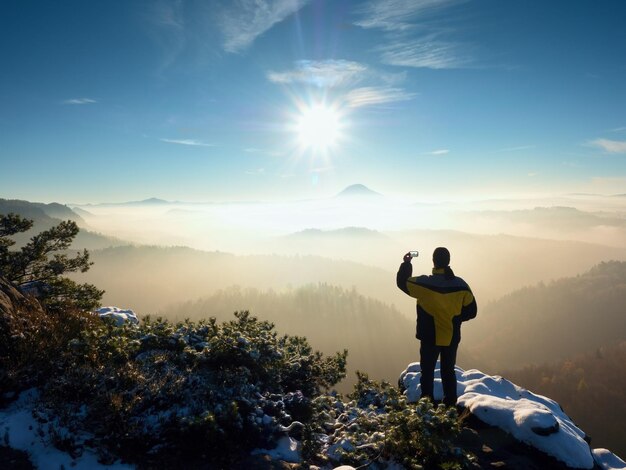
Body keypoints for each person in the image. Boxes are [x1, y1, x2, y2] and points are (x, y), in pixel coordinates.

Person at [396, 247, 477, 406]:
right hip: (451, 336)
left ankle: (427, 408)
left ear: (434, 261)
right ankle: (450, 407)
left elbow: (402, 282)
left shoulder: (424, 284)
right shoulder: (461, 286)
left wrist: (406, 263)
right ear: (448, 261)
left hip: (429, 336)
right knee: (448, 371)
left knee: (427, 372)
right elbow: (472, 311)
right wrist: (456, 319)